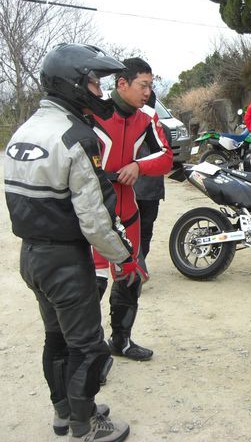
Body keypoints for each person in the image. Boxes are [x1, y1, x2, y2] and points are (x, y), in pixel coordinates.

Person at [4, 43, 144, 441]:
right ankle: (86, 425)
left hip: (31, 256)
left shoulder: (24, 131)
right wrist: (125, 258)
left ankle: (63, 413)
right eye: (95, 84)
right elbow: (96, 218)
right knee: (87, 346)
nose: (100, 92)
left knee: (56, 338)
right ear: (75, 85)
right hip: (65, 260)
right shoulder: (76, 137)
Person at [93, 58, 173, 362]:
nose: (148, 92)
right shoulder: (93, 111)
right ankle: (89, 353)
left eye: (151, 85)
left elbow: (166, 158)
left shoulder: (147, 116)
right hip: (94, 209)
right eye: (143, 85)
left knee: (130, 276)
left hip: (128, 210)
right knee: (93, 282)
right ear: (122, 83)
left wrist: (138, 166)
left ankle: (121, 341)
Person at [133, 90, 165, 259]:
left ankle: (129, 265)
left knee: (128, 228)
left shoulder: (127, 125)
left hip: (130, 187)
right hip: (152, 190)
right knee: (145, 231)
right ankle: (140, 263)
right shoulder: (161, 128)